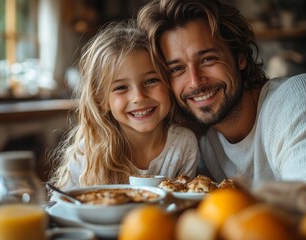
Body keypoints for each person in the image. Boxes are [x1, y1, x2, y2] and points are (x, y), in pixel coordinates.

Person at [137, 0, 306, 194]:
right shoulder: (201, 140)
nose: (195, 82)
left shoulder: (297, 98)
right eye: (177, 69)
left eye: (208, 59)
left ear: (240, 56)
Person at [50, 20, 199, 189]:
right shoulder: (89, 152)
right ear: (101, 100)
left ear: (168, 84)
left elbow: (184, 202)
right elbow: (64, 204)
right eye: (121, 87)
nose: (138, 96)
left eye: (151, 80)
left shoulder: (184, 142)